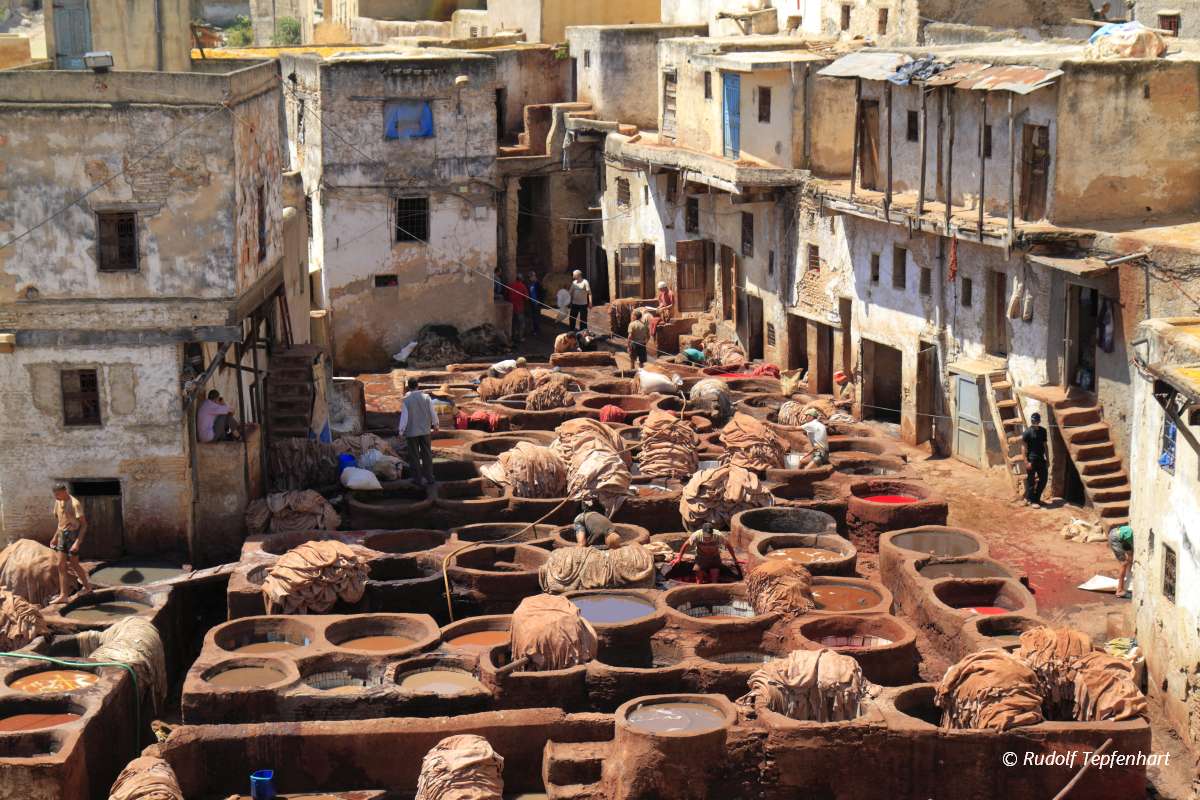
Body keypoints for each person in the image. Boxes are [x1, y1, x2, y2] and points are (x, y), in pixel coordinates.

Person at [49, 483, 92, 603]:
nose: (56, 497)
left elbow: (84, 525)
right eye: (55, 495)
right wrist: (55, 537)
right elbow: (61, 521)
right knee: (60, 564)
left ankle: (88, 587)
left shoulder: (75, 504)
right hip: (63, 534)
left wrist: (77, 543)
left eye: (58, 494)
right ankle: (64, 595)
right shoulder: (58, 502)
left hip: (73, 536)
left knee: (74, 564)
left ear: (65, 491)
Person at [671, 523, 742, 584]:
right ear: (702, 532)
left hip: (714, 557)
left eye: (709, 537)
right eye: (705, 537)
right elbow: (685, 545)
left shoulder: (718, 535)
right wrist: (679, 558)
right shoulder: (697, 535)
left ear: (712, 533)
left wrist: (735, 559)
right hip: (701, 558)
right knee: (699, 580)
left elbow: (728, 545)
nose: (707, 540)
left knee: (714, 581)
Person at [399, 377, 439, 486]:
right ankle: (430, 477)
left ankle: (417, 479)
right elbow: (432, 412)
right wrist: (435, 424)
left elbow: (404, 418)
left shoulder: (406, 400)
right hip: (425, 431)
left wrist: (401, 431)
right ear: (418, 385)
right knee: (427, 454)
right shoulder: (426, 398)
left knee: (414, 456)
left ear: (409, 387)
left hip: (412, 433)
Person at [1022, 412, 1049, 506]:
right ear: (1031, 421)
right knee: (1031, 481)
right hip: (1031, 460)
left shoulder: (1043, 431)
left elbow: (1045, 446)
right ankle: (1033, 501)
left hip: (1041, 459)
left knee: (1044, 479)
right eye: (1033, 421)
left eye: (1036, 421)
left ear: (1039, 421)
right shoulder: (1027, 432)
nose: (1034, 422)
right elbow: (1023, 447)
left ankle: (1036, 498)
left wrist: (1048, 459)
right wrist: (1026, 462)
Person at [1108, 523, 1133, 599]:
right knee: (1124, 563)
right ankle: (1119, 591)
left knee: (1130, 556)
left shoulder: (1130, 534)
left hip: (1118, 534)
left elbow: (1130, 552)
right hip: (1115, 537)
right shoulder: (1131, 536)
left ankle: (1127, 579)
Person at [507, 273, 529, 345]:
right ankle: (520, 337)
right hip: (519, 308)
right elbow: (526, 298)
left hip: (512, 307)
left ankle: (513, 336)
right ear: (521, 279)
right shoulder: (523, 286)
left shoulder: (511, 285)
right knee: (521, 323)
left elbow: (506, 293)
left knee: (514, 323)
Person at [526, 272, 543, 336]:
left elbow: (542, 293)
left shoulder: (538, 284)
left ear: (534, 276)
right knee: (533, 316)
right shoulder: (530, 284)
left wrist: (540, 301)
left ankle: (537, 330)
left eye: (530, 277)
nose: (530, 278)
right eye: (529, 277)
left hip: (537, 303)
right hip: (532, 303)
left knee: (536, 317)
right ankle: (534, 329)